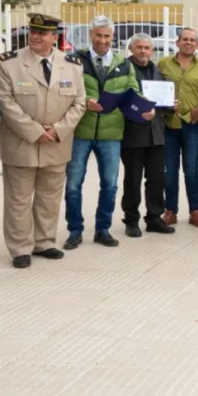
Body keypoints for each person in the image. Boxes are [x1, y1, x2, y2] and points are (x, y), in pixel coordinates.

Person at [0, 12, 87, 269]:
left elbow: (79, 103)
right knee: (19, 199)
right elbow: (5, 102)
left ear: (54, 37)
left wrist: (58, 130)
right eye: (32, 32)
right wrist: (35, 131)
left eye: (42, 33)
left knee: (49, 197)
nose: (35, 36)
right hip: (21, 143)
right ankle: (20, 247)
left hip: (56, 143)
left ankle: (44, 242)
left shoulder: (72, 65)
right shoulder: (8, 63)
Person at [63, 15, 140, 250]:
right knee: (73, 184)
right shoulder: (75, 60)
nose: (102, 40)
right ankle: (74, 230)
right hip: (80, 131)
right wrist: (86, 100)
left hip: (111, 134)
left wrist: (144, 108)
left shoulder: (123, 63)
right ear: (91, 35)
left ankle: (102, 229)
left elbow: (133, 92)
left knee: (110, 184)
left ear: (112, 37)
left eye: (107, 36)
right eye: (98, 35)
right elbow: (66, 88)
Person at [158, 27, 198, 229]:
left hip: (192, 125)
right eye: (185, 39)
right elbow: (153, 88)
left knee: (191, 170)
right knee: (170, 171)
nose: (188, 43)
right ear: (177, 42)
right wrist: (161, 105)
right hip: (169, 124)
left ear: (197, 44)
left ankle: (195, 211)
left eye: (192, 40)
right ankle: (170, 211)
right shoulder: (163, 64)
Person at [119, 33, 175, 237]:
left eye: (147, 48)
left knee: (157, 179)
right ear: (131, 49)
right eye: (139, 47)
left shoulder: (157, 71)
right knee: (133, 179)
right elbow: (120, 99)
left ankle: (154, 218)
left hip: (156, 133)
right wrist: (137, 110)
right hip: (133, 133)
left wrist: (171, 104)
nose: (143, 51)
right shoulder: (123, 69)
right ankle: (131, 220)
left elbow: (161, 100)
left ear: (152, 51)